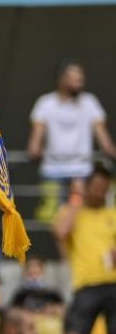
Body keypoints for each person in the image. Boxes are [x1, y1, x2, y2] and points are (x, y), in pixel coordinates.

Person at [29, 60, 115, 220]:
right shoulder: (45, 103)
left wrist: (110, 152)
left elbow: (104, 141)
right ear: (61, 79)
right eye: (74, 77)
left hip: (81, 172)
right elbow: (35, 143)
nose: (79, 81)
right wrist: (35, 150)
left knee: (79, 218)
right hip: (52, 171)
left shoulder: (90, 102)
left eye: (80, 77)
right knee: (51, 217)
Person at [54, 164, 116, 334]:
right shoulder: (70, 212)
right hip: (86, 285)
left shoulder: (112, 214)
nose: (101, 192)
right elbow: (61, 233)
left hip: (113, 283)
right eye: (97, 187)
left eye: (105, 188)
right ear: (87, 187)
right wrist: (76, 197)